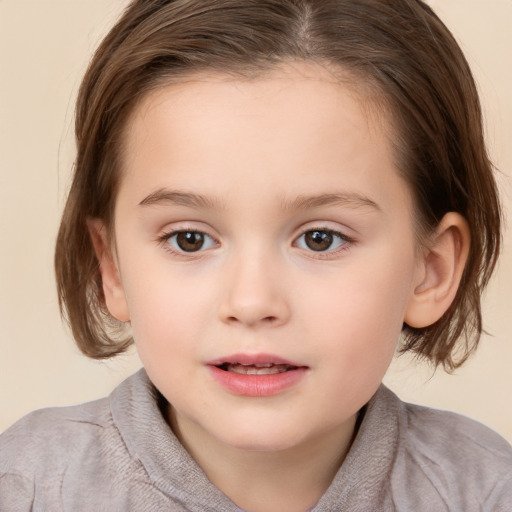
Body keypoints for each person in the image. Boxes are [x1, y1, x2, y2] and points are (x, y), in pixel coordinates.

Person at [1, 0, 511, 510]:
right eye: (189, 239)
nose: (250, 302)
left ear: (431, 270)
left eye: (320, 238)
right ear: (112, 266)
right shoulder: (28, 487)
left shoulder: (484, 491)